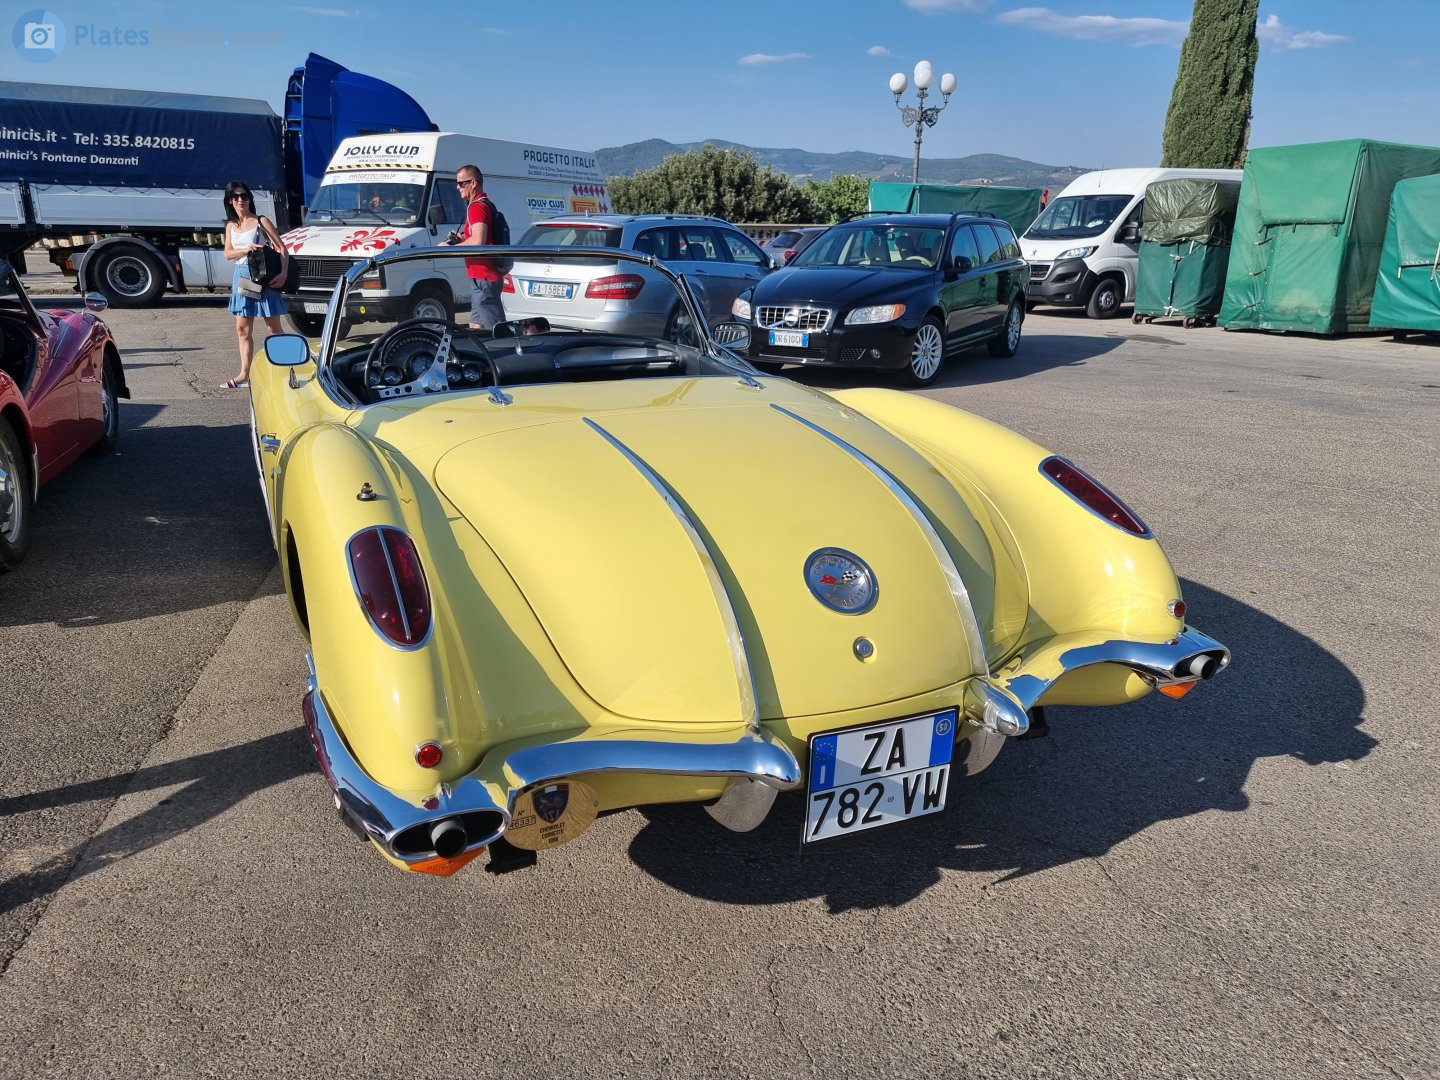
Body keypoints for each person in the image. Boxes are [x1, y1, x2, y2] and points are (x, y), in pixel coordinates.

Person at [221, 180, 289, 389]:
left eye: (244, 196)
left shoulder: (261, 221)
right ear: (230, 201)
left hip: (263, 277)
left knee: (273, 327)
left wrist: (283, 274)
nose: (240, 200)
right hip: (243, 277)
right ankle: (244, 375)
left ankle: (287, 370)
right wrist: (246, 249)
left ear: (250, 199)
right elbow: (228, 254)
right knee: (242, 329)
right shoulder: (231, 225)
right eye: (235, 197)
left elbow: (282, 248)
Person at [443, 165, 505, 331]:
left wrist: (449, 248)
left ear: (473, 183)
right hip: (481, 276)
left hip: (484, 276)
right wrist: (462, 239)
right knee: (476, 326)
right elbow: (482, 237)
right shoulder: (485, 204)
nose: (457, 187)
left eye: (461, 183)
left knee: (497, 330)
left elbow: (478, 241)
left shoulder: (476, 207)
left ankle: (508, 348)